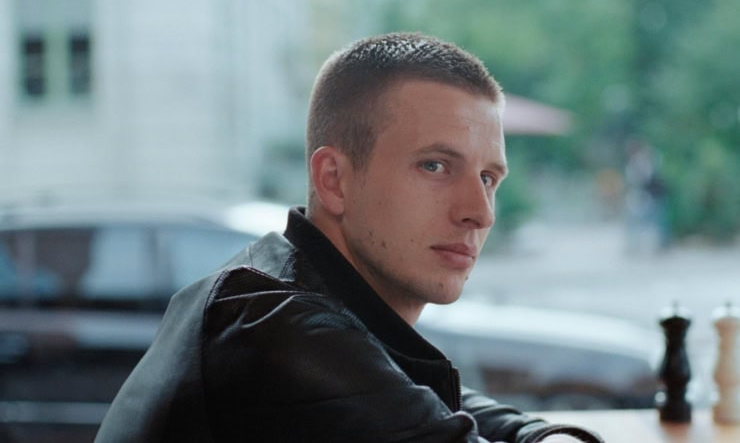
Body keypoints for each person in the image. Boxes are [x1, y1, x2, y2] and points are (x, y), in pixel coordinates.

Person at [96, 32, 602, 443]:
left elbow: (421, 398)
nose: (480, 212)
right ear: (334, 180)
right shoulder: (275, 328)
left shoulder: (299, 292)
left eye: (488, 177)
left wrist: (542, 434)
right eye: (435, 166)